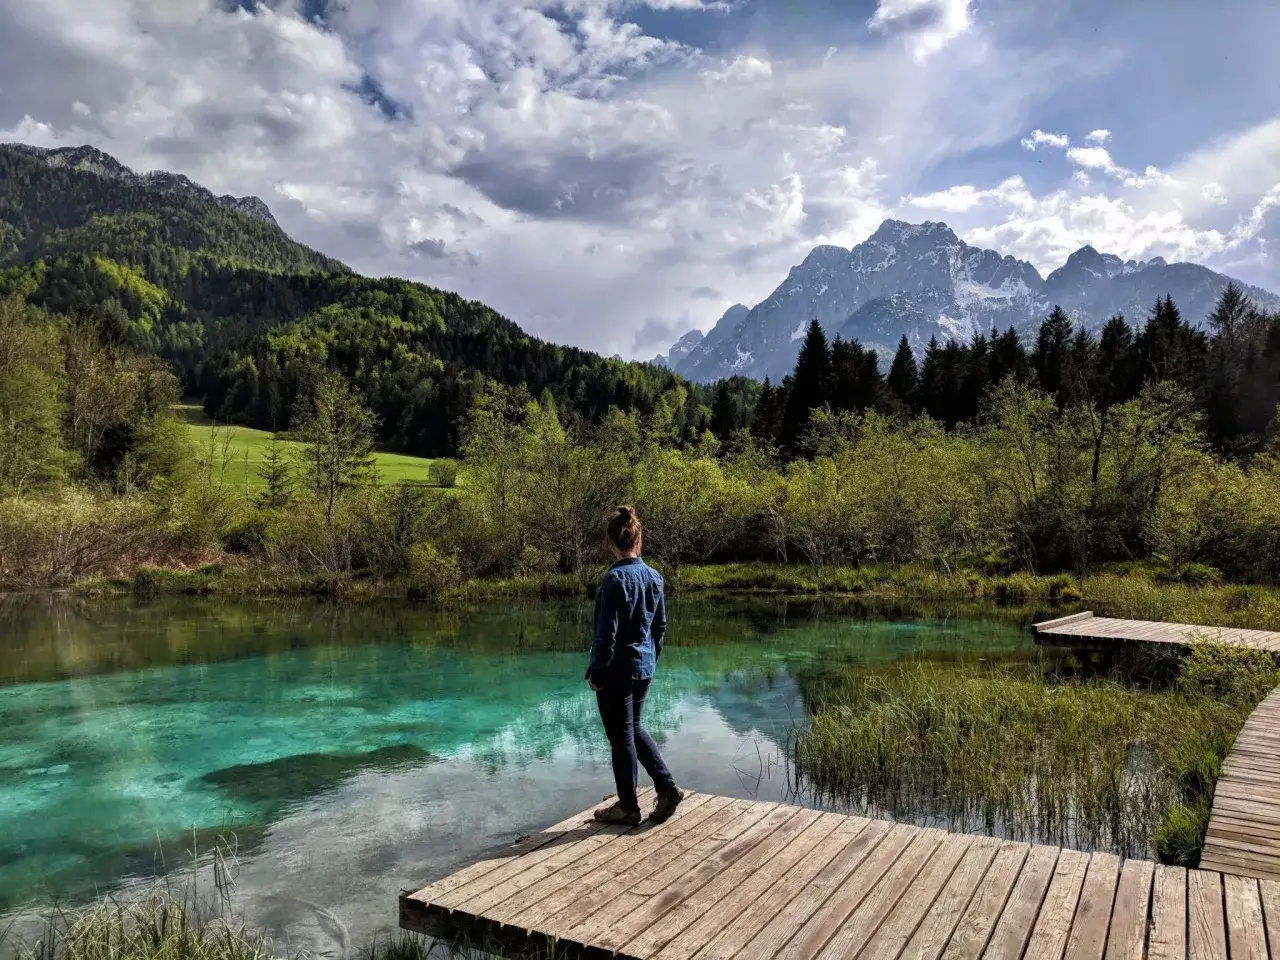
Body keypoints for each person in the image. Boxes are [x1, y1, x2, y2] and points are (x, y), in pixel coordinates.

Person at [586, 506, 683, 826]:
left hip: (616, 671)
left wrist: (597, 671)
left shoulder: (613, 579)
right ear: (638, 540)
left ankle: (628, 807)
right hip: (644, 667)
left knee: (620, 737)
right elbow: (661, 627)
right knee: (633, 729)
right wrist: (651, 660)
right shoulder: (654, 577)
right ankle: (666, 786)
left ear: (610, 543)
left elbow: (606, 635)